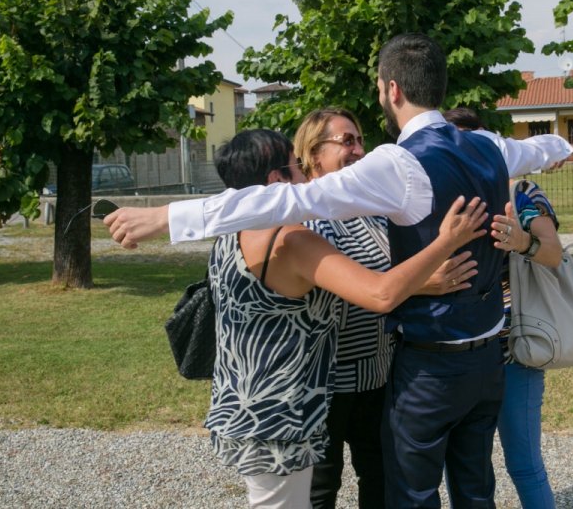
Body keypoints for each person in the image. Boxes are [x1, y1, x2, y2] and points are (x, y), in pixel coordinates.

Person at [104, 32, 573, 507]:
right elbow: (544, 147)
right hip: (488, 358)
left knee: (411, 495)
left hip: (430, 365)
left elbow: (292, 198)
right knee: (475, 490)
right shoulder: (489, 146)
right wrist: (563, 150)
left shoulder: (399, 162)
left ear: (391, 89)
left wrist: (167, 217)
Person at [204, 128, 487, 508]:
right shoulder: (292, 240)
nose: (305, 176)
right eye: (296, 166)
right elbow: (380, 293)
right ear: (276, 179)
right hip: (280, 414)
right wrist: (445, 243)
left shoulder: (229, 233)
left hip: (239, 403)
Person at [293, 108, 477, 508]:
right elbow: (347, 294)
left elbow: (392, 274)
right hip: (325, 381)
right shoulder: (305, 218)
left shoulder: (369, 210)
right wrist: (422, 286)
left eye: (360, 140)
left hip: (377, 374)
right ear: (312, 153)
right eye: (347, 141)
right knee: (321, 486)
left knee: (378, 476)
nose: (359, 150)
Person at [445, 107, 564, 509]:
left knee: (524, 464)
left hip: (514, 349)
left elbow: (553, 255)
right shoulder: (441, 197)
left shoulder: (521, 193)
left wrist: (522, 241)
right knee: (462, 465)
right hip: (460, 350)